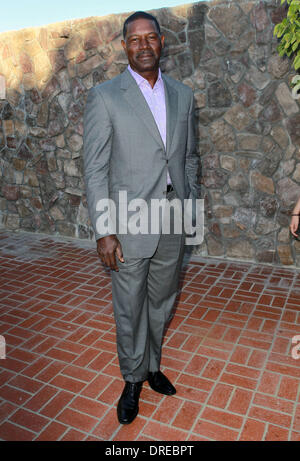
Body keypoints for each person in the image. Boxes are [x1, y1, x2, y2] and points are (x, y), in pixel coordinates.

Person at [83, 11, 199, 424]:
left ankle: (151, 367)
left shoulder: (183, 95)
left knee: (161, 302)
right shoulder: (105, 97)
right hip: (128, 221)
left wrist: (191, 206)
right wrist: (104, 229)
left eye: (151, 38)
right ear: (124, 45)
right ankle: (132, 379)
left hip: (172, 219)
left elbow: (188, 159)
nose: (143, 46)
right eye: (135, 40)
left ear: (162, 42)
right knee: (130, 306)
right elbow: (95, 170)